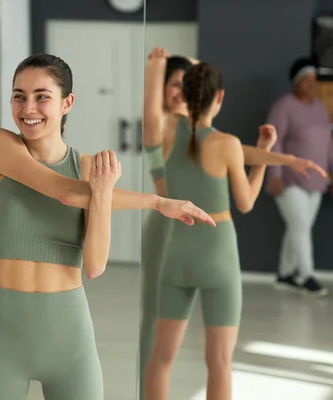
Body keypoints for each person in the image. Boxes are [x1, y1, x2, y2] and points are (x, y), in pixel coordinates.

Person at [0, 53, 217, 400]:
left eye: (42, 96)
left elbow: (95, 266)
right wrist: (156, 202)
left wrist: (103, 194)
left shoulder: (87, 169)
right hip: (3, 338)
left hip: (70, 340)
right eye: (19, 96)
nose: (28, 108)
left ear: (67, 102)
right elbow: (65, 192)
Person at [142, 48, 328, 400]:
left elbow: (156, 109)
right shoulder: (225, 145)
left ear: (183, 95)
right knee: (220, 362)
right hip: (218, 257)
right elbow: (245, 202)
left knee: (162, 358)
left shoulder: (166, 132)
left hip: (177, 255)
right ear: (221, 97)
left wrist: (155, 68)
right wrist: (264, 160)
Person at [139, 54, 193, 400]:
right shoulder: (158, 123)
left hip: (193, 234)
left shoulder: (200, 126)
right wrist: (157, 68)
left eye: (188, 84)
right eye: (175, 83)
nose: (182, 91)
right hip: (164, 230)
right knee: (154, 319)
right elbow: (150, 107)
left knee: (177, 326)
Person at [266, 57, 332, 296]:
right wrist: (274, 174)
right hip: (288, 180)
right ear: (296, 82)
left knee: (298, 229)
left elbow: (327, 143)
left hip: (316, 181)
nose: (311, 85)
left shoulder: (320, 109)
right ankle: (307, 275)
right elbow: (274, 142)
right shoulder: (283, 106)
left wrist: (331, 173)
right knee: (301, 228)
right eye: (307, 80)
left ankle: (285, 275)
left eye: (314, 80)